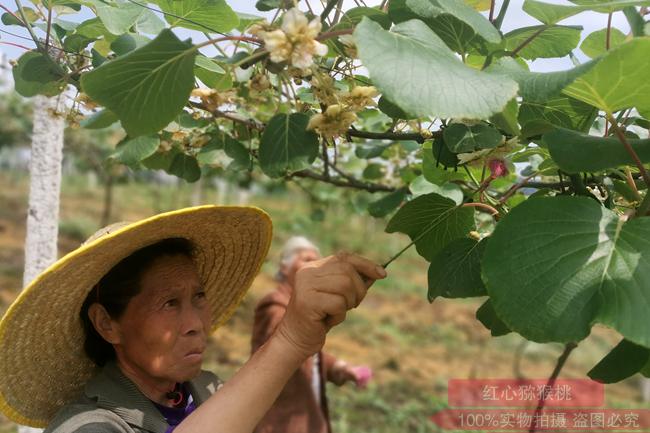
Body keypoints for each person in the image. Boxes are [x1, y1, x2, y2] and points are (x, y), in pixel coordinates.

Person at [0, 205, 387, 433]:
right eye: (169, 303)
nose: (195, 323)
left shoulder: (206, 390)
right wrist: (290, 341)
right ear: (107, 324)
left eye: (198, 297)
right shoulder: (88, 425)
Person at [251, 236, 372, 433]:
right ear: (284, 268)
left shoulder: (303, 308)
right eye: (306, 260)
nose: (313, 266)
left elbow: (311, 355)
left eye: (317, 261)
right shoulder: (274, 304)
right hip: (282, 421)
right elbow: (284, 343)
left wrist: (338, 367)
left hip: (307, 416)